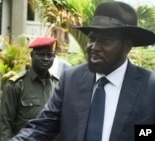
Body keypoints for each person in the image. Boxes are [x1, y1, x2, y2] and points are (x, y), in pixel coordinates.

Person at [10, 1, 155, 141]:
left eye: (105, 41)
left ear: (127, 46)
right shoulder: (71, 79)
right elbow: (40, 129)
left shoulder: (149, 87)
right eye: (92, 39)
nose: (94, 47)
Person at [0, 37, 59, 141]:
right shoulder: (16, 85)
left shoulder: (57, 85)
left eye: (50, 55)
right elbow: (4, 123)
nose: (45, 58)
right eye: (41, 54)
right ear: (32, 55)